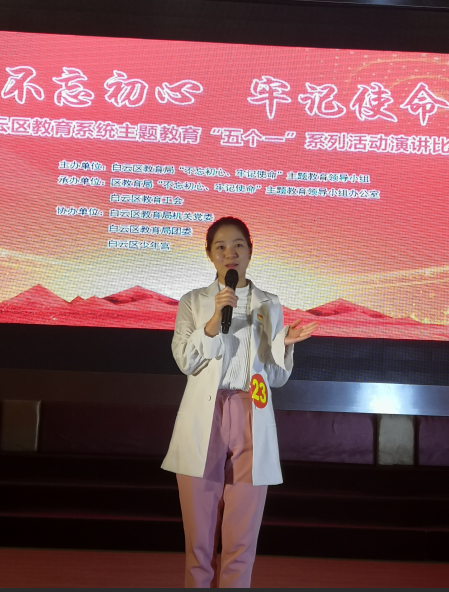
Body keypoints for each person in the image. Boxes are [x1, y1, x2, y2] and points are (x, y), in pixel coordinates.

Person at [162, 217, 318, 588]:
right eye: (220, 247)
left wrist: (284, 346)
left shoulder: (269, 304)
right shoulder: (193, 302)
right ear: (209, 255)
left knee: (242, 535)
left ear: (250, 251)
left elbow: (274, 377)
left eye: (238, 246)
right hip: (205, 415)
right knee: (199, 538)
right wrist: (215, 318)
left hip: (251, 412)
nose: (230, 253)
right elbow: (186, 361)